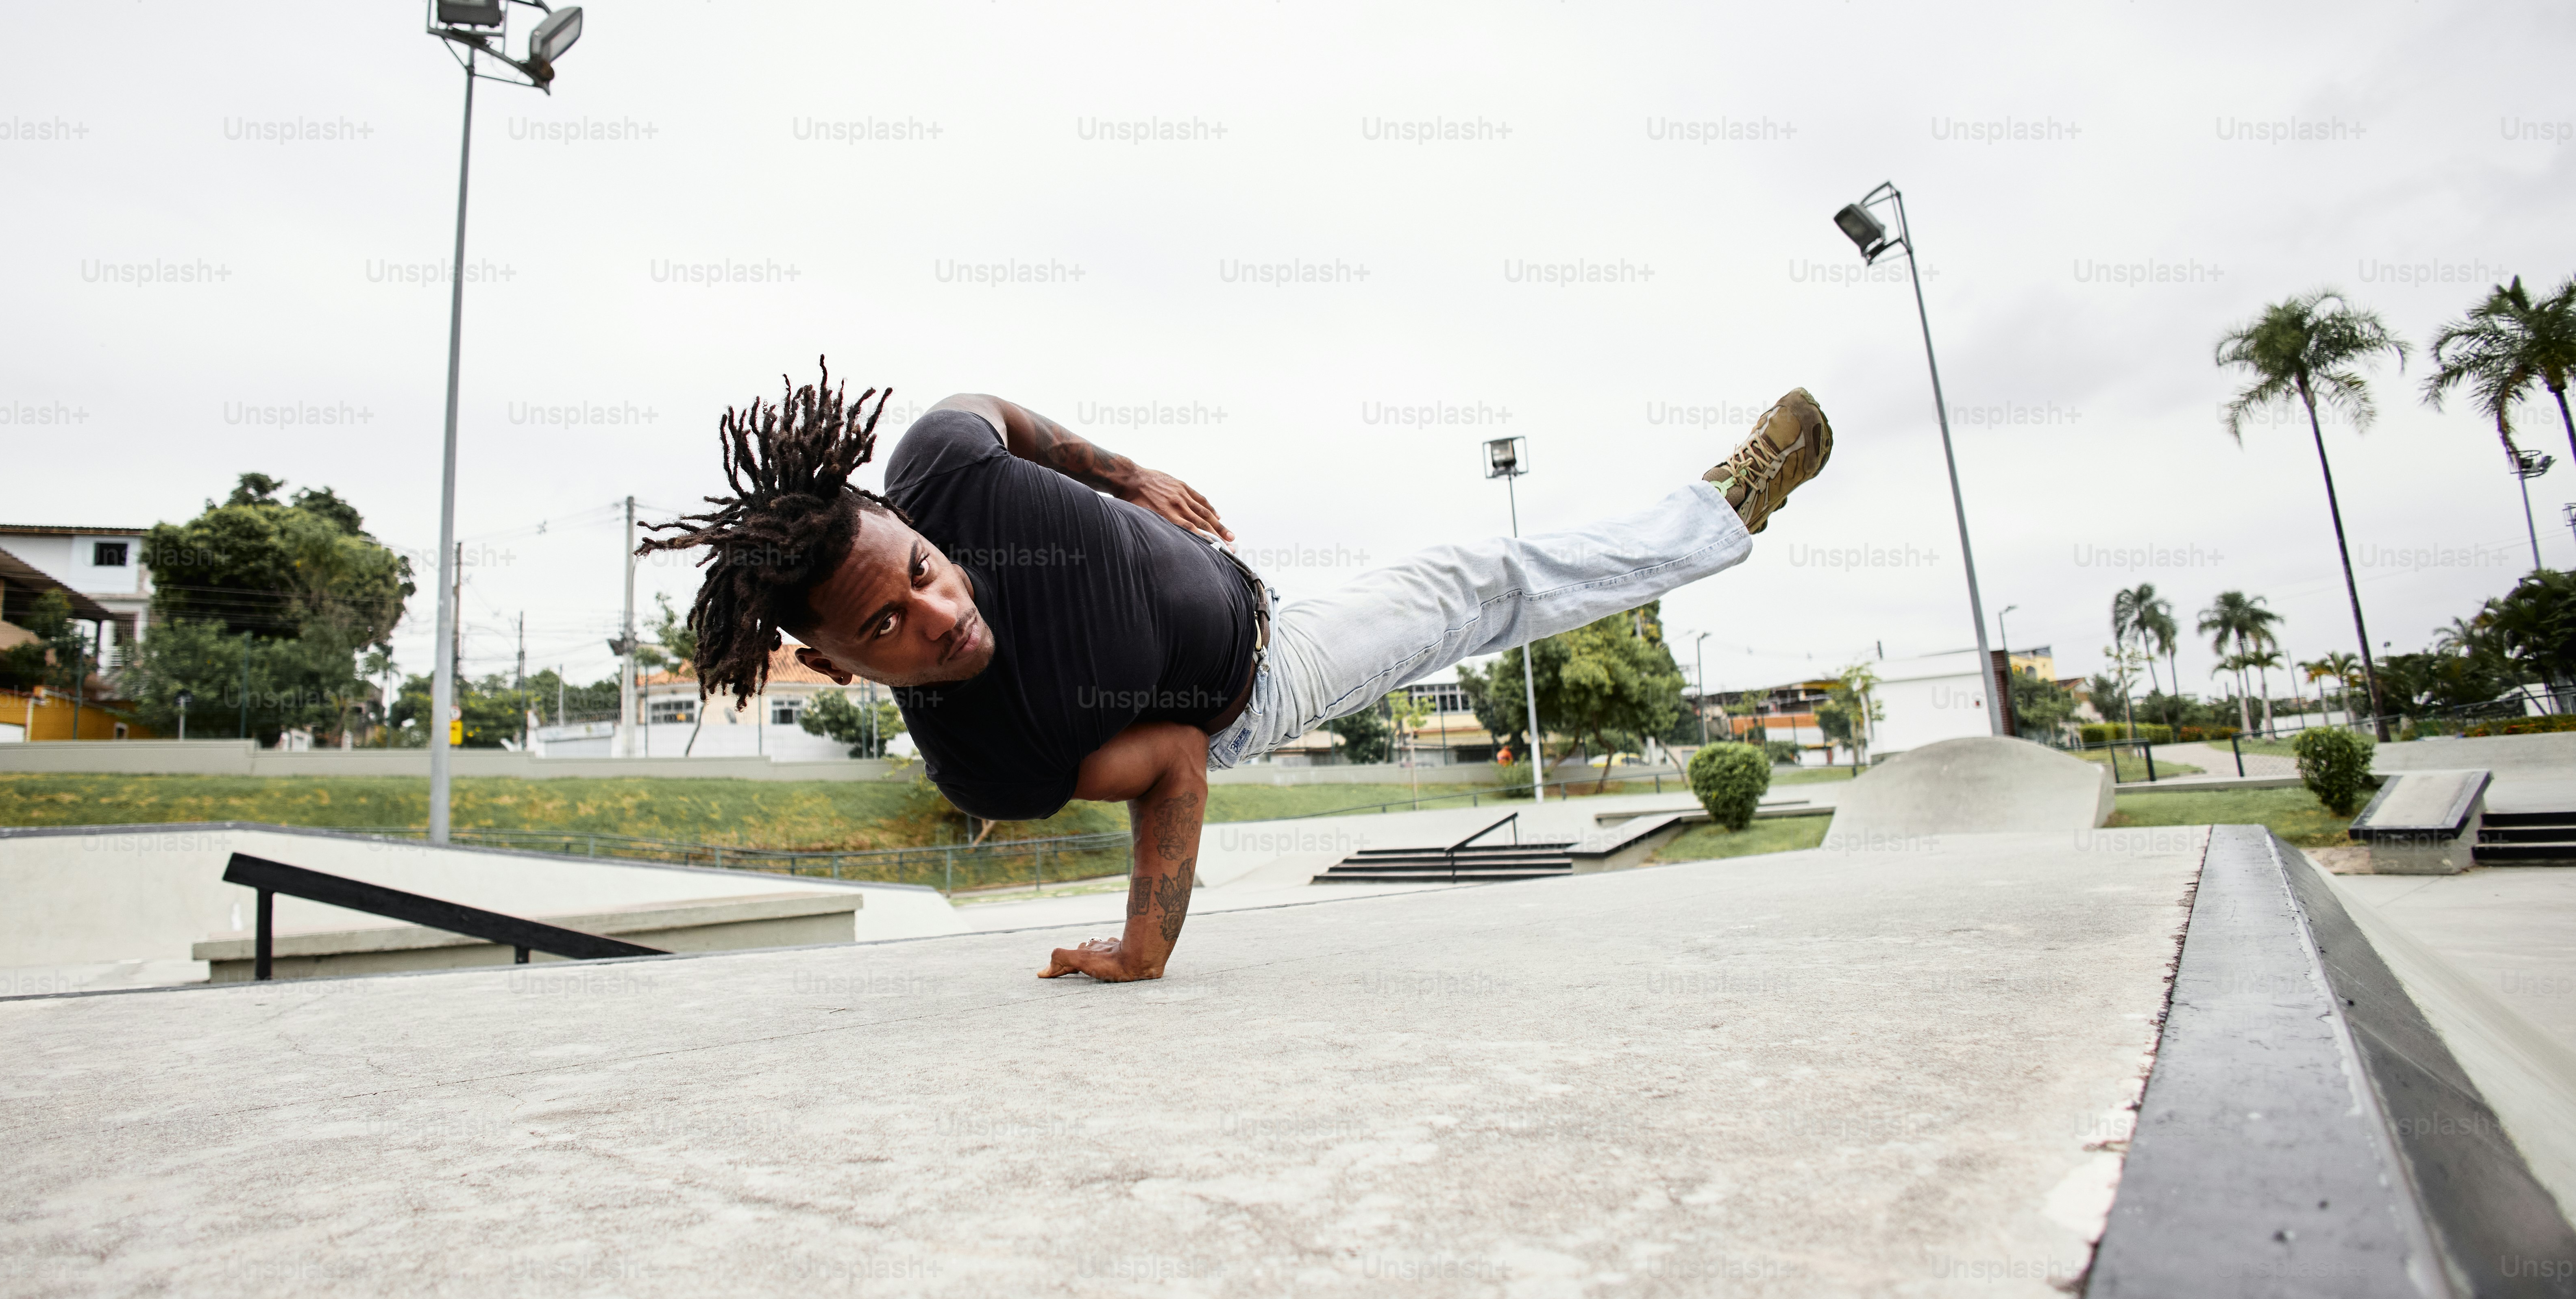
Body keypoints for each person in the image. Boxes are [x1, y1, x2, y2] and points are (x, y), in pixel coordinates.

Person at [649, 365, 1830, 983]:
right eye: (890, 625)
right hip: (1259, 682)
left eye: (924, 571)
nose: (941, 615)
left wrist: (1126, 476)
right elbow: (1173, 763)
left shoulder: (943, 465)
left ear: (912, 521)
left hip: (1243, 585)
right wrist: (1144, 948)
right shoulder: (984, 756)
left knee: (1472, 579)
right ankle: (1723, 508)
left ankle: (1708, 518)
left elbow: (999, 412)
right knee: (1478, 581)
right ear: (833, 665)